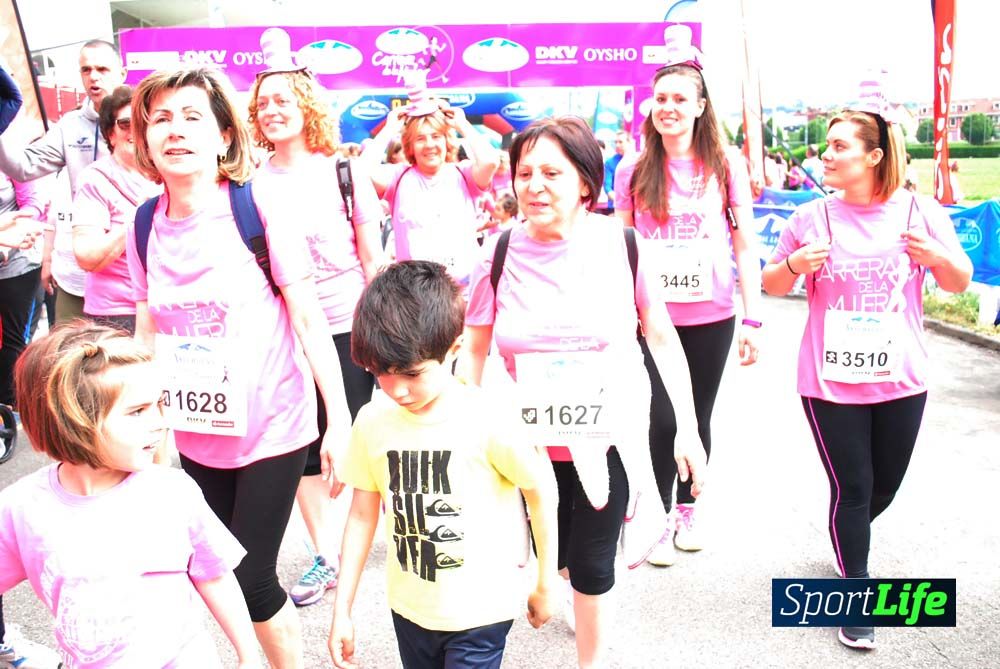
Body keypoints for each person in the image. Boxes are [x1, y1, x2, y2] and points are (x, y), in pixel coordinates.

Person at [126, 67, 352, 667]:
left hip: (275, 423)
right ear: (145, 139)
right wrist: (142, 430)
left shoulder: (259, 206)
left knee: (249, 576)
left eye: (192, 116)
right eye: (161, 119)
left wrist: (341, 422)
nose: (175, 131)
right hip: (199, 431)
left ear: (226, 135)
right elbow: (148, 331)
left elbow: (307, 319)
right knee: (211, 568)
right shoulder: (144, 223)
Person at [460, 116, 704, 669]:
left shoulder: (623, 246)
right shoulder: (495, 254)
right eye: (524, 173)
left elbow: (661, 339)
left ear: (586, 185)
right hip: (528, 443)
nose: (534, 185)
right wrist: (461, 426)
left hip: (605, 437)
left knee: (593, 563)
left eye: (551, 172)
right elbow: (473, 351)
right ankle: (568, 582)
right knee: (563, 557)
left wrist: (687, 428)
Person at [761, 83, 972, 650]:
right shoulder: (808, 218)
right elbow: (769, 283)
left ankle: (847, 537)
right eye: (826, 147)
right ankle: (857, 590)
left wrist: (937, 257)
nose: (824, 156)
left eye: (837, 147)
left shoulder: (919, 211)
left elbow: (959, 280)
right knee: (853, 488)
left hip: (902, 376)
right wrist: (794, 265)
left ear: (874, 157)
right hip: (830, 382)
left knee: (883, 487)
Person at [328, 260, 558, 669]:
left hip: (482, 612)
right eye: (380, 373)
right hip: (410, 609)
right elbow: (363, 515)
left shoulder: (488, 418)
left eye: (412, 374)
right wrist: (341, 610)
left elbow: (539, 491)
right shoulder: (373, 421)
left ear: (453, 348)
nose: (396, 389)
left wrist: (546, 582)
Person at [1, 322, 262, 668]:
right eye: (137, 411)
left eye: (159, 404)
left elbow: (214, 576)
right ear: (72, 421)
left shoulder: (172, 493)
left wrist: (248, 656)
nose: (159, 422)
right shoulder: (21, 508)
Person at [614, 30, 762, 566]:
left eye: (680, 99)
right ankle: (657, 512)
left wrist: (754, 319)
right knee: (659, 415)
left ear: (701, 107)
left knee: (696, 416)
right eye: (661, 99)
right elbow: (622, 247)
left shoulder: (727, 166)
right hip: (652, 318)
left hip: (713, 313)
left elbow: (745, 244)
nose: (669, 108)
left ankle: (686, 510)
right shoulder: (631, 170)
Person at [248, 35, 384, 608]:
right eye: (262, 103)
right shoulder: (249, 184)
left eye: (282, 99)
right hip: (285, 335)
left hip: (349, 327)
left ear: (306, 103)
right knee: (305, 450)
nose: (272, 110)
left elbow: (373, 260)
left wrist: (389, 337)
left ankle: (377, 524)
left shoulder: (344, 174)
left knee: (359, 438)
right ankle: (327, 554)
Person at [0, 40, 126, 324]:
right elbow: (24, 166)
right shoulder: (70, 126)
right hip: (80, 268)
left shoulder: (146, 119)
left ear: (122, 72)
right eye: (86, 69)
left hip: (135, 263)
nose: (94, 77)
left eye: (102, 68)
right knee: (70, 355)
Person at [363, 70, 499, 288]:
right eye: (420, 138)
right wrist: (388, 130)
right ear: (410, 145)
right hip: (415, 295)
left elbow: (490, 162)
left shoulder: (464, 175)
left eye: (436, 136)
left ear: (446, 141)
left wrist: (462, 125)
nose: (429, 145)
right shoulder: (399, 177)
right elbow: (362, 172)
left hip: (462, 293)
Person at [72, 85, 161, 333]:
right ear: (111, 134)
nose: (135, 130)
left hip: (169, 305)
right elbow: (88, 256)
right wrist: (139, 215)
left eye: (144, 121)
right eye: (125, 124)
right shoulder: (96, 179)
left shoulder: (168, 170)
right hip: (119, 313)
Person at [0, 174, 47, 408]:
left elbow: (34, 202)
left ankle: (9, 404)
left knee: (15, 336)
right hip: (4, 243)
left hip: (17, 265)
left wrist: (17, 229)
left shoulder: (9, 158)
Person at [599, 130, 629, 215]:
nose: (617, 145)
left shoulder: (638, 162)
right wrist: (621, 204)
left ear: (629, 142)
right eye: (616, 142)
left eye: (620, 142)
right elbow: (608, 187)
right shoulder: (610, 163)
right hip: (614, 208)